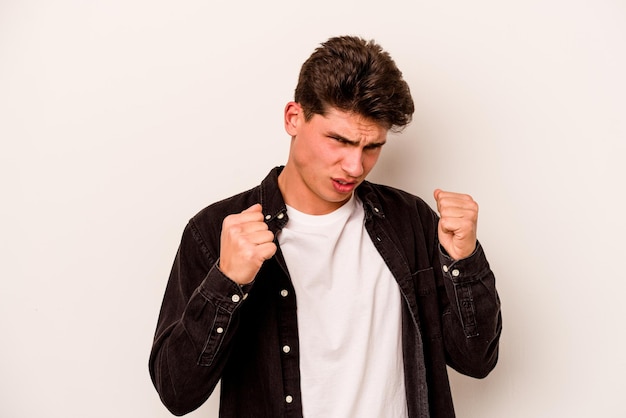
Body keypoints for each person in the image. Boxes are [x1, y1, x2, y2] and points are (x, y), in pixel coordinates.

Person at [149, 35, 502, 418]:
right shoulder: (216, 231)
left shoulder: (410, 221)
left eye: (372, 147)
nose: (355, 167)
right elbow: (176, 392)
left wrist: (464, 263)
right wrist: (227, 282)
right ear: (294, 118)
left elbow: (476, 361)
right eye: (339, 140)